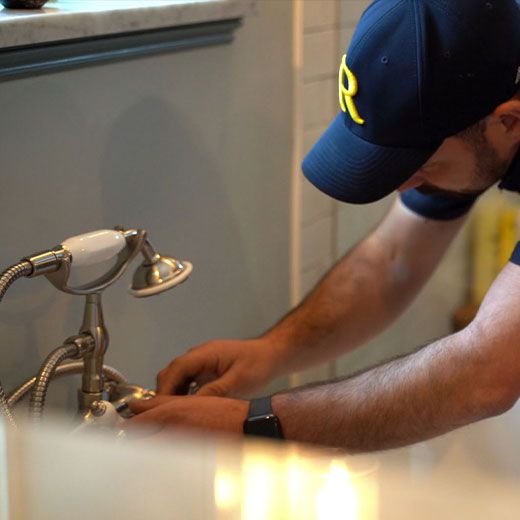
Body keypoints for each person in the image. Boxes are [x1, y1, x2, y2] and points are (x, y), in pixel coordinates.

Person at [129, 0, 520, 452]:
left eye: (422, 165)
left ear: (509, 121)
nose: (402, 187)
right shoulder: (471, 103)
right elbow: (391, 260)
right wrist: (271, 351)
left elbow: (488, 374)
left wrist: (248, 423)